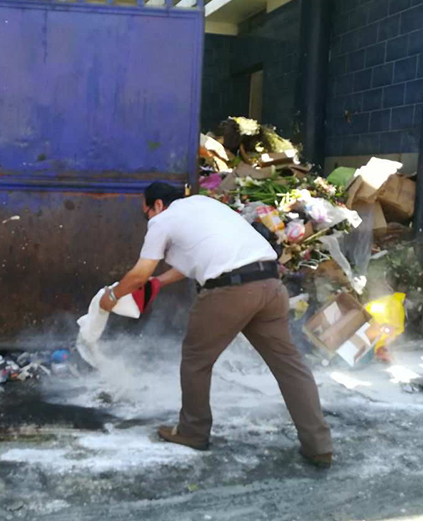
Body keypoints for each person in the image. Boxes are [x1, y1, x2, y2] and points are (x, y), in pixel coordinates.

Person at [99, 182, 334, 468]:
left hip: (230, 291)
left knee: (196, 360)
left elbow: (139, 273)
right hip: (270, 285)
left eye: (145, 211)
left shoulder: (162, 220)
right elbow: (190, 264)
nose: (147, 217)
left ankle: (193, 431)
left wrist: (111, 297)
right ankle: (319, 446)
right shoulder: (204, 206)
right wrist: (158, 283)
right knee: (289, 366)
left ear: (157, 205)